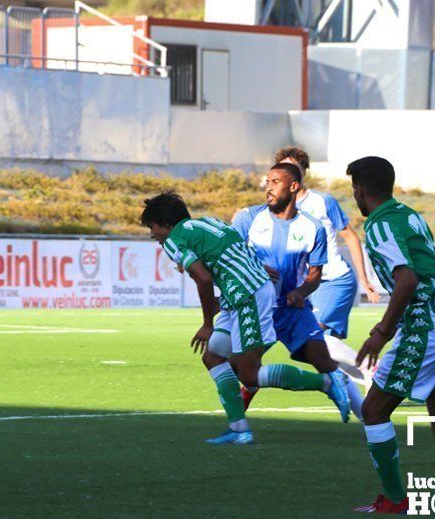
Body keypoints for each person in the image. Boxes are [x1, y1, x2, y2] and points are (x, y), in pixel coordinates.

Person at [141, 192, 349, 444]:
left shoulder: (174, 239)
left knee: (249, 374)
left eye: (152, 227)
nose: (152, 235)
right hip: (241, 295)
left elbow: (204, 278)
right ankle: (239, 429)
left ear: (164, 222)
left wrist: (207, 324)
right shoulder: (210, 222)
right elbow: (235, 248)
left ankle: (326, 382)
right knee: (213, 357)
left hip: (246, 297)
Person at [348, 156, 435, 514]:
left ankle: (394, 500)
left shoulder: (380, 225)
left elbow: (406, 280)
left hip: (424, 330)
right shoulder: (410, 215)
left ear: (359, 190)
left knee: (373, 411)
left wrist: (381, 331)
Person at [232, 163, 355, 421]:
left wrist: (301, 291)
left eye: (275, 182)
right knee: (242, 369)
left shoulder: (313, 228)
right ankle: (237, 428)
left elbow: (315, 275)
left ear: (294, 186)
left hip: (293, 310)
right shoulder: (248, 218)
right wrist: (255, 268)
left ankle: (369, 419)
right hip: (257, 310)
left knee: (323, 360)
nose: (269, 188)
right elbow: (230, 258)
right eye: (267, 182)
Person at [273, 146, 381, 340]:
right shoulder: (276, 209)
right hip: (305, 286)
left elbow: (350, 236)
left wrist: (364, 279)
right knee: (327, 348)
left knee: (311, 333)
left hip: (335, 279)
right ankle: (362, 370)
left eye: (295, 168)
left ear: (304, 171)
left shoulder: (323, 201)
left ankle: (370, 368)